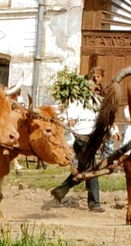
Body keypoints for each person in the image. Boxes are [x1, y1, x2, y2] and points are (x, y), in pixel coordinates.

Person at [50, 67, 105, 212]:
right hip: (81, 140)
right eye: (92, 82)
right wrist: (71, 121)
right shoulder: (77, 101)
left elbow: (101, 118)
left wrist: (113, 131)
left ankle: (59, 191)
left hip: (92, 139)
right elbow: (70, 116)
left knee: (82, 170)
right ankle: (94, 203)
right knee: (91, 169)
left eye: (96, 82)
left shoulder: (97, 102)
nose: (94, 85)